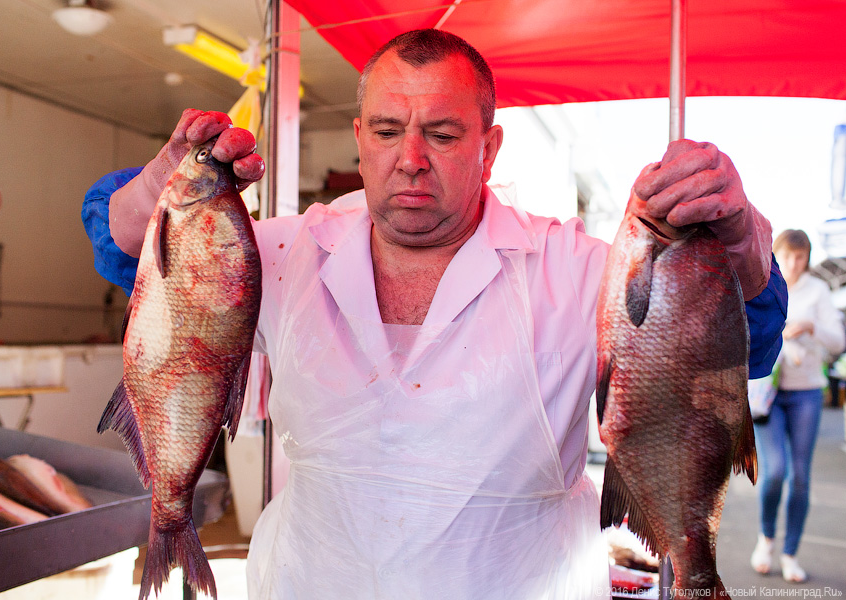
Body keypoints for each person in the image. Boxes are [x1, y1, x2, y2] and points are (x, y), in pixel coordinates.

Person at [83, 29, 786, 600]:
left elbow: (743, 346)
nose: (411, 159)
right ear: (360, 138)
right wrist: (156, 189)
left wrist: (743, 244)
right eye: (388, 130)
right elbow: (131, 261)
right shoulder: (283, 251)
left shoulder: (574, 268)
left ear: (490, 147)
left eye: (443, 135)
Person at [750, 229, 844, 583]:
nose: (793, 263)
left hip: (806, 393)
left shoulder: (817, 290)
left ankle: (790, 553)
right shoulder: (762, 284)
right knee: (774, 471)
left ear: (807, 258)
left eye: (800, 257)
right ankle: (766, 539)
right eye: (787, 256)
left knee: (800, 477)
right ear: (776, 255)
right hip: (766, 395)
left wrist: (810, 326)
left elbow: (838, 341)